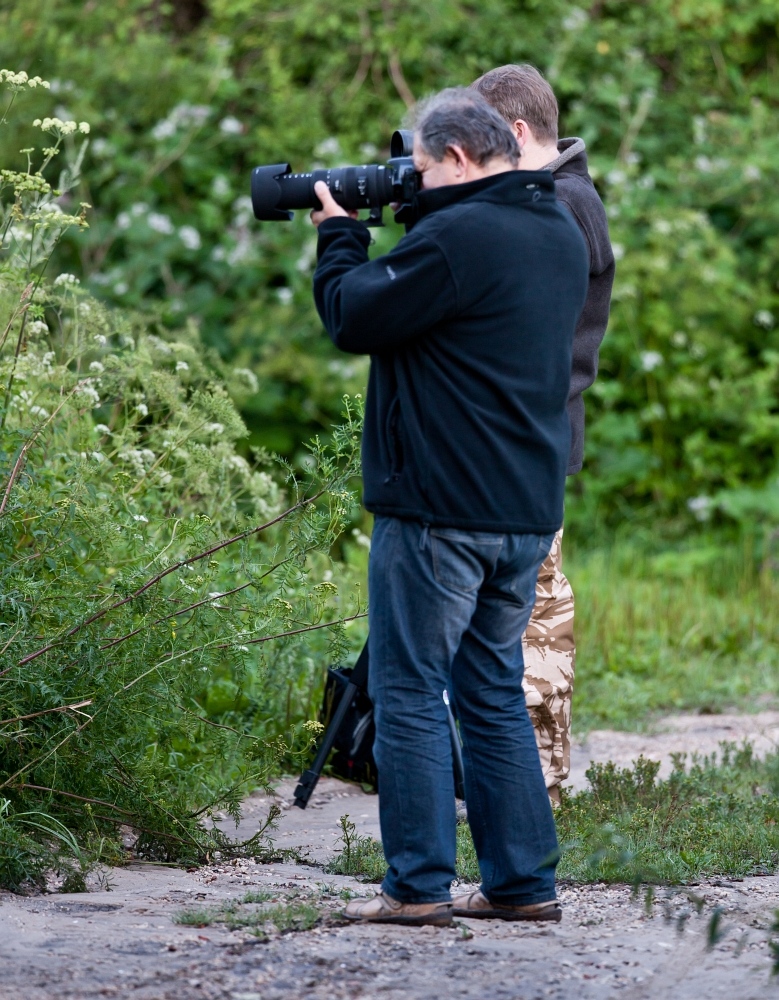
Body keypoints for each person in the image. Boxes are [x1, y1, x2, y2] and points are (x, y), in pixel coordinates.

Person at [311, 88, 588, 927]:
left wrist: (339, 239)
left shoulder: (460, 237)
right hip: (521, 512)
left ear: (460, 160)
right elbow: (445, 307)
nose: (412, 181)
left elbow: (354, 314)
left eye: (423, 167)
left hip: (441, 513)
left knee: (407, 691)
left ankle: (417, 886)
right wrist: (412, 221)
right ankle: (520, 884)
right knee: (491, 693)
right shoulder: (557, 230)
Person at [472, 65, 615, 804]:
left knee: (533, 628)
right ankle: (536, 786)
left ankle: (536, 789)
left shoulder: (564, 204)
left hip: (532, 444)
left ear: (517, 133)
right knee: (533, 617)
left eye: (481, 143)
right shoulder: (558, 198)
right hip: (532, 441)